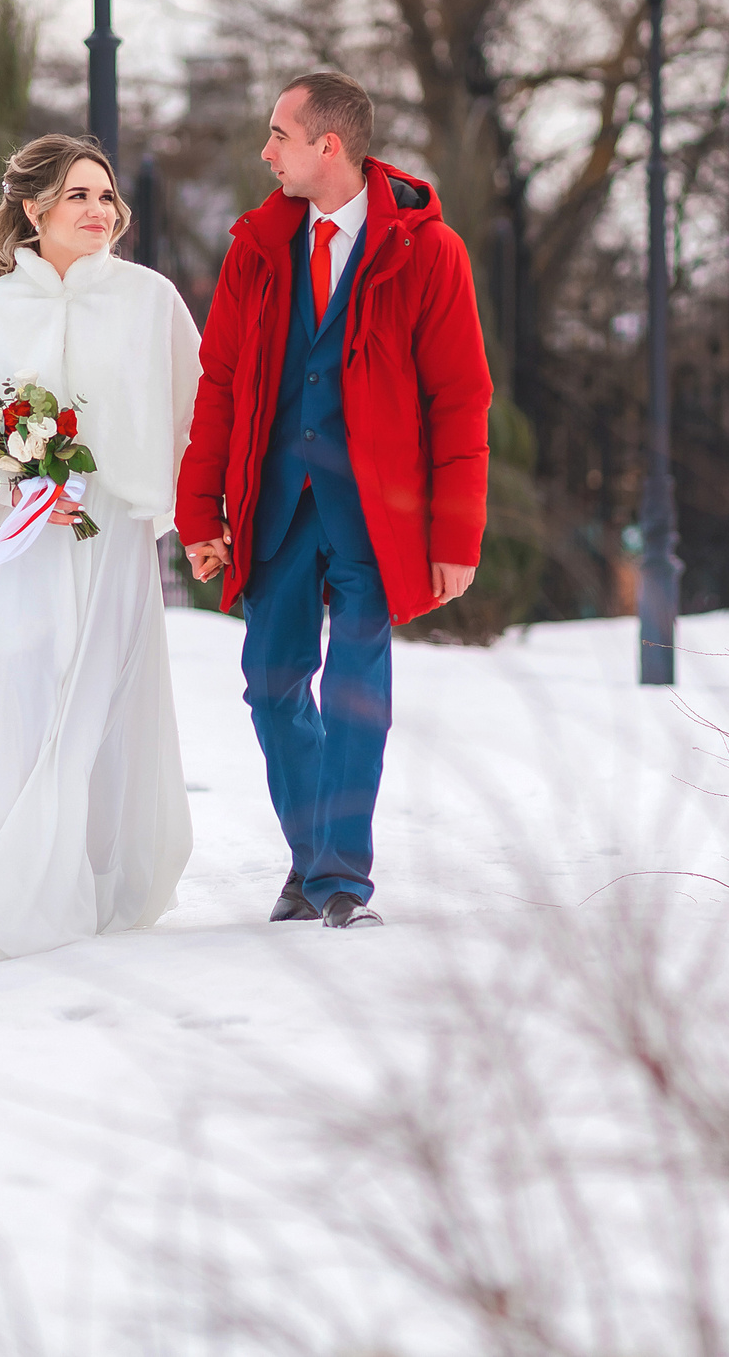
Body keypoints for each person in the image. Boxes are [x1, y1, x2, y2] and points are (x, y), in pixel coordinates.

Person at [177, 71, 494, 930]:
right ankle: (315, 854)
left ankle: (340, 879)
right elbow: (219, 387)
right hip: (277, 506)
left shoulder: (430, 251)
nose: (266, 152)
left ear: (329, 145)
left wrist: (456, 535)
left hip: (376, 515)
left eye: (279, 135)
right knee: (271, 685)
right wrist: (201, 515)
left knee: (358, 689)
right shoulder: (255, 250)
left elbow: (460, 399)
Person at [0, 134, 202, 957]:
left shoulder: (150, 300)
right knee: (16, 700)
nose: (100, 211)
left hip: (112, 538)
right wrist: (18, 488)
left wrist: (193, 512)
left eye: (106, 196)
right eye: (78, 196)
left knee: (97, 699)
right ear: (34, 211)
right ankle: (11, 874)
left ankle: (80, 881)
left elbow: (195, 413)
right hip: (20, 540)